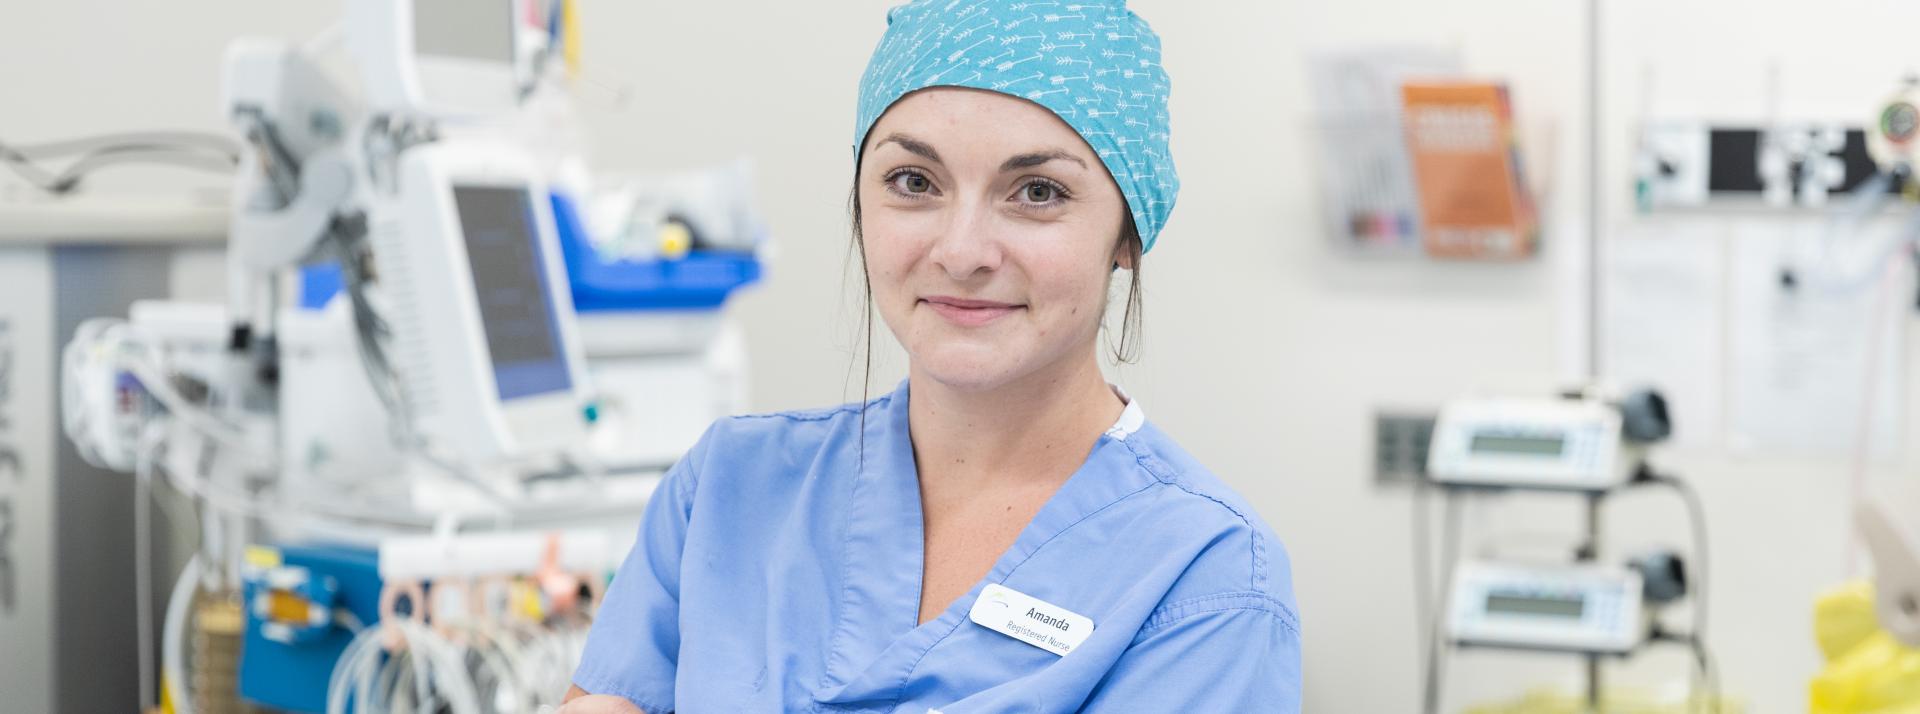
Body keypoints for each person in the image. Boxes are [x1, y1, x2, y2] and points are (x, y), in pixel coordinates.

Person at [562, 1, 1300, 711]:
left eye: (1037, 192)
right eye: (914, 183)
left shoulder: (1204, 580)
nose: (962, 252)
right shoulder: (727, 491)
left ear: (1127, 237)